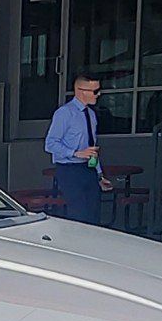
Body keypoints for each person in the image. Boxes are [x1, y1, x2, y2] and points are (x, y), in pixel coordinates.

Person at [44, 72, 113, 226]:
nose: (98, 94)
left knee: (93, 214)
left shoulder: (91, 115)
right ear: (82, 92)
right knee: (79, 214)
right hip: (70, 170)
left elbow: (92, 147)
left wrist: (99, 174)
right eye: (95, 91)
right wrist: (75, 153)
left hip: (88, 169)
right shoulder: (65, 113)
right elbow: (50, 143)